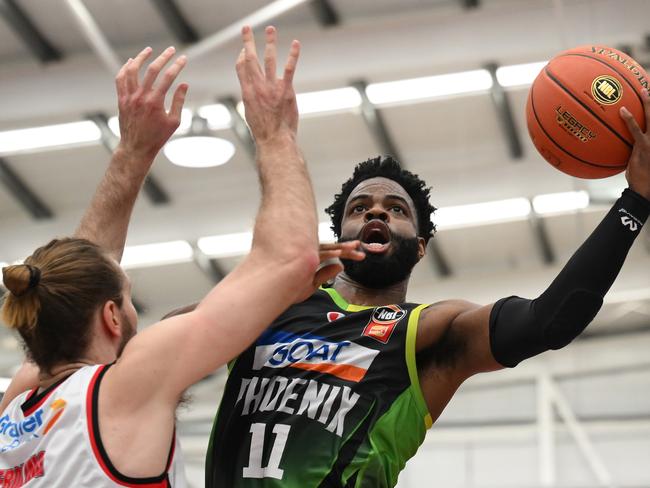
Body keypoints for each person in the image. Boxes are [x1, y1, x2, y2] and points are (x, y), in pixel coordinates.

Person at [202, 88, 650, 485]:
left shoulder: (426, 330)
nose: (375, 214)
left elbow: (551, 319)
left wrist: (636, 200)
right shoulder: (272, 309)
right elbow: (160, 344)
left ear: (419, 247)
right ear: (338, 237)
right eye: (360, 209)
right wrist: (262, 282)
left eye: (394, 209)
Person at [0, 27, 361, 486]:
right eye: (128, 299)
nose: (134, 310)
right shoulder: (122, 387)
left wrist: (133, 152)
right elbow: (290, 257)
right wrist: (275, 133)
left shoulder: (15, 412)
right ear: (112, 317)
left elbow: (75, 279)